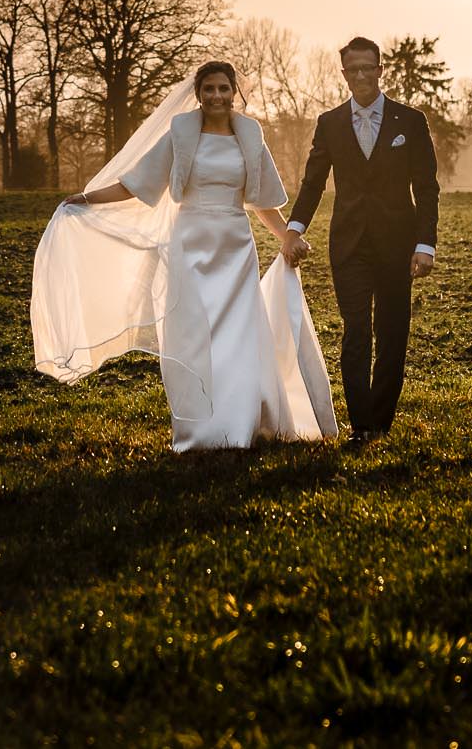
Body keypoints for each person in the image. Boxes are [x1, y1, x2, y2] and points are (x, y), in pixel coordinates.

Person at [30, 61, 337, 450]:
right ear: (198, 93)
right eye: (209, 89)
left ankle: (240, 426)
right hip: (190, 244)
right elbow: (136, 183)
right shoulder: (181, 133)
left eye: (223, 88)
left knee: (238, 337)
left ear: (234, 92)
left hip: (236, 247)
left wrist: (287, 237)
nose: (216, 96)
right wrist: (87, 200)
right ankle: (201, 428)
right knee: (194, 337)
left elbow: (260, 201)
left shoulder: (250, 133)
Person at [287, 36, 440, 442]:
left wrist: (425, 244)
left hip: (397, 243)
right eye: (352, 69)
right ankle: (360, 425)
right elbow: (313, 183)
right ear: (344, 74)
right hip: (349, 244)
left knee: (392, 332)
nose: (360, 76)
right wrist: (294, 228)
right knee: (356, 329)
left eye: (367, 68)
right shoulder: (330, 123)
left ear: (379, 70)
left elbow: (426, 188)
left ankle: (380, 423)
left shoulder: (410, 121)